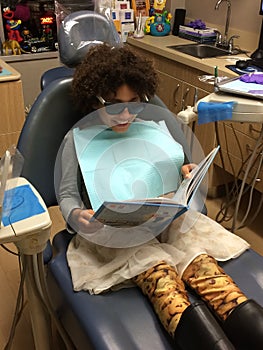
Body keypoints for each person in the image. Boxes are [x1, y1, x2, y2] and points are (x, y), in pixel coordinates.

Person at [57, 44, 263, 350]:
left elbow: (176, 164)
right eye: (114, 105)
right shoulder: (77, 140)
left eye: (134, 103)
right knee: (159, 276)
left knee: (205, 268)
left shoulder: (151, 128)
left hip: (166, 219)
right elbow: (67, 193)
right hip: (116, 232)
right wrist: (76, 216)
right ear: (93, 100)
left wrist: (187, 171)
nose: (125, 113)